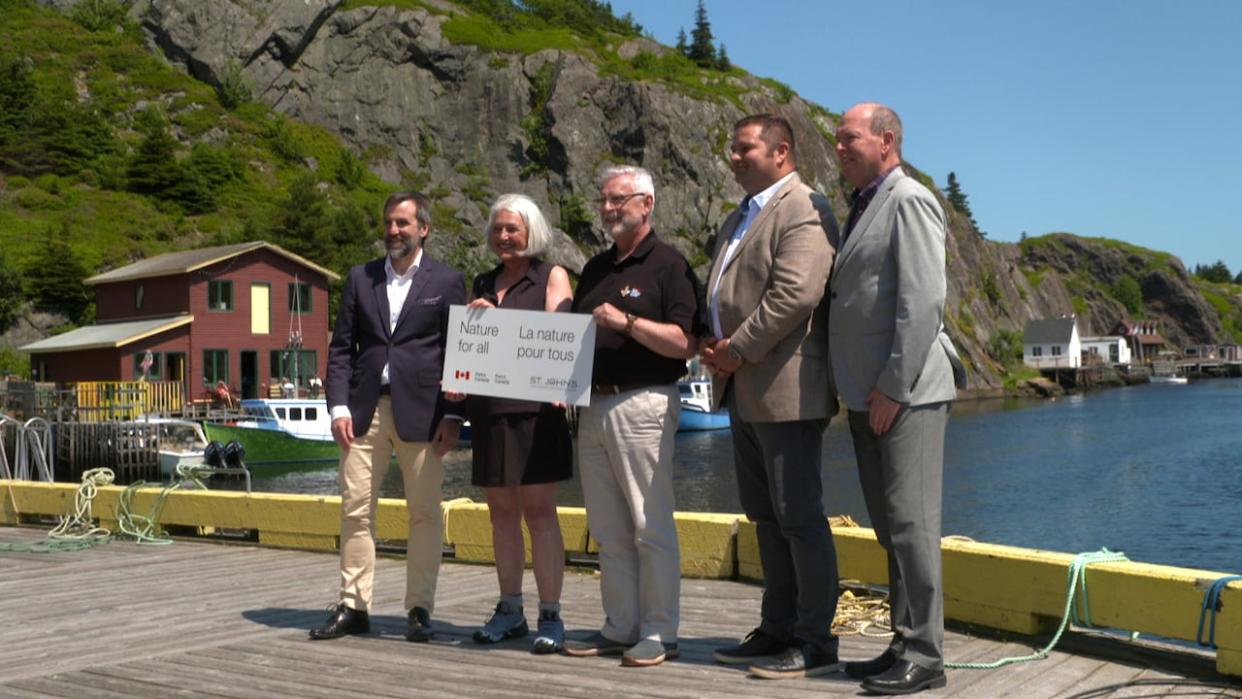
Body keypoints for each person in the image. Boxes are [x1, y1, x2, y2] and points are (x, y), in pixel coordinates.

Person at [830, 103, 966, 695]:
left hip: (903, 393)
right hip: (868, 395)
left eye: (848, 138)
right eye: (837, 139)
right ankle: (902, 643)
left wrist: (891, 386)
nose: (838, 147)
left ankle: (926, 656)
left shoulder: (908, 199)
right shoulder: (863, 206)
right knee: (891, 528)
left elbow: (922, 303)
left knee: (911, 525)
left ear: (887, 141)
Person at [701, 114, 842, 680]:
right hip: (743, 387)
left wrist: (737, 349)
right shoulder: (742, 215)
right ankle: (776, 627)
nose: (733, 157)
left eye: (745, 149)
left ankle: (815, 642)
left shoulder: (805, 206)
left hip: (786, 390)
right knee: (766, 516)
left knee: (799, 517)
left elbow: (796, 294)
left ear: (781, 151)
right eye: (731, 149)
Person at [310, 191, 466, 643]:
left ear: (424, 228)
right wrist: (337, 405)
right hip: (362, 410)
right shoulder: (361, 278)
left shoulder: (448, 281)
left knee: (424, 514)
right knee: (355, 510)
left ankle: (419, 608)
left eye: (402, 223)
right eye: (388, 222)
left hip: (425, 411)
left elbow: (460, 350)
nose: (393, 230)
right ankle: (354, 606)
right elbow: (341, 348)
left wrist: (454, 414)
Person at [562, 165, 701, 667]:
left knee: (648, 523)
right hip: (594, 405)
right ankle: (620, 626)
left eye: (617, 199)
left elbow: (686, 342)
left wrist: (627, 322)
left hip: (644, 401)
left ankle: (661, 631)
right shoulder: (596, 268)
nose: (607, 208)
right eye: (602, 200)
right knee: (608, 527)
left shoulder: (670, 265)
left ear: (647, 203)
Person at [449, 193, 574, 654]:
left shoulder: (552, 276)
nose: (503, 236)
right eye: (497, 229)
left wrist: (498, 322)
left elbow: (556, 338)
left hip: (537, 413)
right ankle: (509, 609)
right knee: (500, 515)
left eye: (512, 229)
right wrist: (458, 379)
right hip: (489, 412)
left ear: (531, 231)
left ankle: (551, 614)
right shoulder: (483, 280)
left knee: (540, 513)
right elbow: (469, 347)